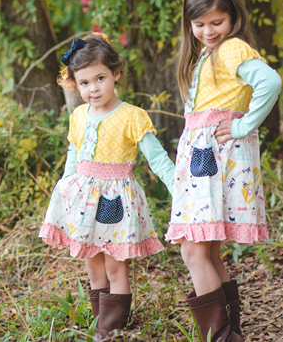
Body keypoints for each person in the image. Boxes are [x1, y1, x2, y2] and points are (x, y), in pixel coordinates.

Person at [164, 0, 282, 342]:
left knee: (193, 252)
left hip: (216, 159)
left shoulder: (231, 49)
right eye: (199, 24)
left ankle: (222, 337)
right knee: (207, 252)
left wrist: (244, 125)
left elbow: (271, 82)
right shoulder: (206, 54)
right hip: (204, 162)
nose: (209, 30)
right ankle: (231, 333)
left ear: (234, 17)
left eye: (217, 22)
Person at [39, 33, 176, 342]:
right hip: (84, 201)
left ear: (116, 74)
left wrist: (177, 187)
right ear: (76, 84)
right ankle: (102, 320)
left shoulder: (131, 116)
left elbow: (157, 158)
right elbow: (74, 154)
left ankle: (111, 328)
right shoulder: (78, 116)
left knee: (115, 264)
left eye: (100, 78)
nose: (93, 89)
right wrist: (64, 188)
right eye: (84, 83)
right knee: (92, 262)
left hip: (115, 200)